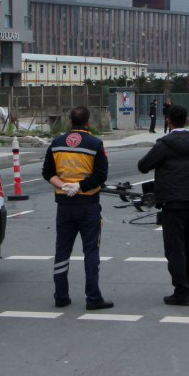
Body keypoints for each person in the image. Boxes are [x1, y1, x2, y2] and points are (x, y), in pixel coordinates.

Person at [41, 106, 113, 310]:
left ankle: (61, 296)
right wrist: (79, 185)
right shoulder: (95, 143)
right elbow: (101, 175)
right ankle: (93, 298)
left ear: (69, 122)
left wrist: (64, 185)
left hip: (64, 205)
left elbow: (47, 172)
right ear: (88, 122)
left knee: (62, 251)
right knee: (91, 251)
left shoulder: (56, 143)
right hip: (88, 205)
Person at [138, 104, 189, 306]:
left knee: (174, 248)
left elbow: (143, 166)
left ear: (168, 121)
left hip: (172, 200)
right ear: (187, 120)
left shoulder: (165, 144)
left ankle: (181, 291)